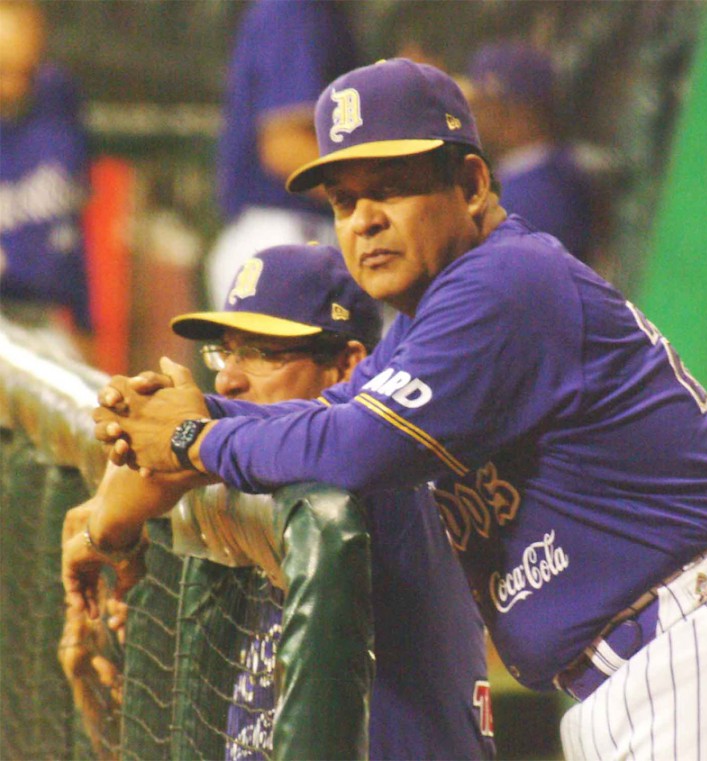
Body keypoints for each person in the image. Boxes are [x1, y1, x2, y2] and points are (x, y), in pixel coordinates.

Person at [90, 59, 707, 760]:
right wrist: (165, 429)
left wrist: (190, 437)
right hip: (657, 669)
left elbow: (355, 447)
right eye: (344, 200)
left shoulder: (503, 282)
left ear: (470, 185)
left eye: (390, 188)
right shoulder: (424, 324)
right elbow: (320, 417)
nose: (363, 220)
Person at [64, 243, 495, 760]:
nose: (228, 377)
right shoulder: (268, 471)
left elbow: (157, 452)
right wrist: (104, 524)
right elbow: (150, 445)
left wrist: (102, 534)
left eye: (263, 352)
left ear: (346, 366)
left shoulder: (378, 477)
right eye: (226, 351)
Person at [205, 0, 359, 309]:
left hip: (299, 240)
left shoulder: (324, 14)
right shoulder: (292, 11)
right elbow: (285, 146)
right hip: (287, 241)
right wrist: (384, 194)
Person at [0, 0, 93, 359]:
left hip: (41, 320)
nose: (13, 87)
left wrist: (85, 324)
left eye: (25, 72)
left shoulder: (57, 98)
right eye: (2, 71)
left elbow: (72, 233)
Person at [464, 41, 596, 264]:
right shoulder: (549, 172)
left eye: (480, 106)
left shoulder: (535, 199)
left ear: (518, 115)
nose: (469, 118)